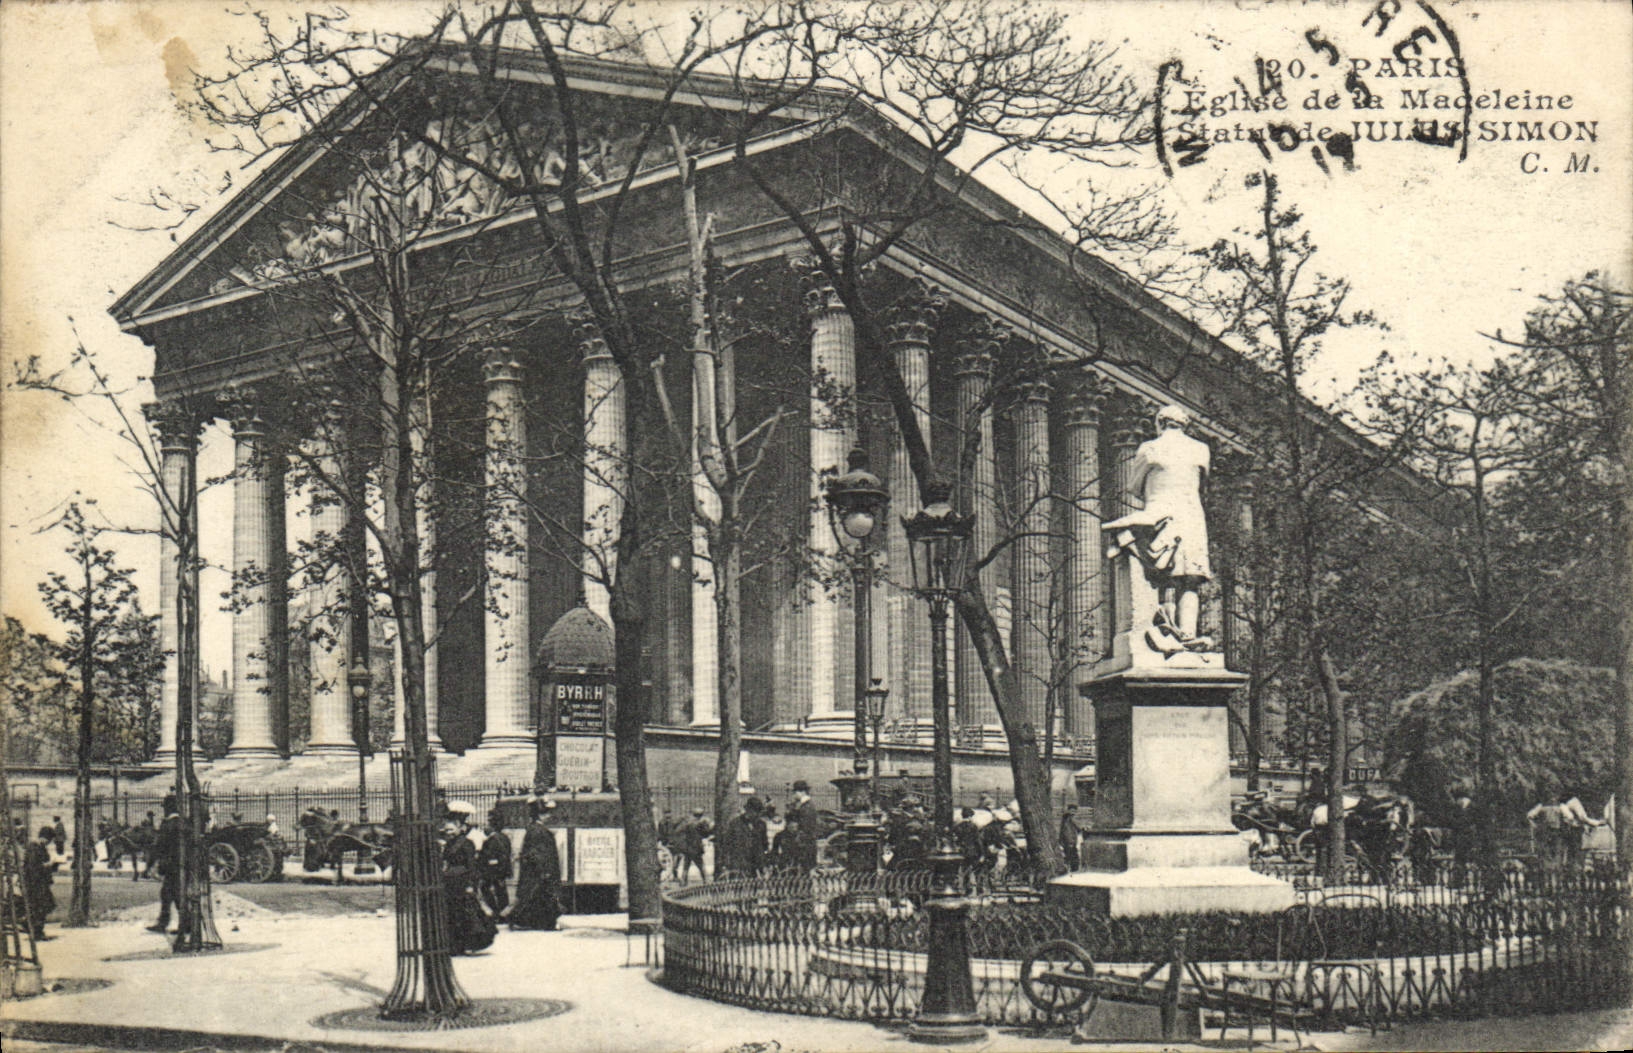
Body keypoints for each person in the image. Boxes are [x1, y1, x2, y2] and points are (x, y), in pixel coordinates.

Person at [1102, 404, 1213, 651]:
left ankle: (1166, 630)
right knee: (1190, 579)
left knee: (1162, 575)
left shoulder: (1150, 448)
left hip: (1160, 514)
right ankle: (1186, 634)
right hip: (1192, 516)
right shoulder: (1201, 450)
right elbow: (1203, 484)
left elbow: (1133, 485)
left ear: (1159, 423)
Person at [439, 817, 496, 954]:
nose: (449, 832)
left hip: (463, 882)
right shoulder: (448, 844)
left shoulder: (467, 843)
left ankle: (468, 943)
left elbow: (471, 866)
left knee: (466, 914)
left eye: (451, 829)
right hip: (450, 883)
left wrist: (471, 884)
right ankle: (455, 945)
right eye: (446, 830)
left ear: (460, 829)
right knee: (453, 914)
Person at [509, 799, 562, 931]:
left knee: (534, 898)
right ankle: (547, 923)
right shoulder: (537, 830)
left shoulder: (535, 829)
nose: (549, 816)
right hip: (540, 872)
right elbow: (536, 853)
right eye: (546, 813)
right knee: (542, 897)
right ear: (539, 815)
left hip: (538, 872)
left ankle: (528, 921)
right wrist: (544, 871)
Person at [147, 795, 183, 933]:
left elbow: (159, 846)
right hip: (182, 865)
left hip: (170, 866)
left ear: (168, 808)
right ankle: (183, 924)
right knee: (174, 894)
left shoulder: (167, 824)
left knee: (170, 894)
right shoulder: (183, 822)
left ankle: (167, 924)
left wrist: (151, 864)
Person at [718, 797, 769, 879]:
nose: (756, 815)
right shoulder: (735, 823)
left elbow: (764, 845)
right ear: (748, 810)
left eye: (758, 812)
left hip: (754, 864)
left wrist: (763, 865)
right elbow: (727, 844)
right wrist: (725, 863)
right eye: (755, 811)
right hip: (738, 863)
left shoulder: (761, 825)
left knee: (752, 887)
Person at [24, 826, 59, 940]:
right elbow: (33, 867)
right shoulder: (34, 848)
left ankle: (37, 930)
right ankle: (35, 931)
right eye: (49, 840)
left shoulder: (40, 847)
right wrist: (48, 864)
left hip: (41, 883)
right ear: (45, 838)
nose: (50, 843)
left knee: (46, 906)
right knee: (40, 906)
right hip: (35, 884)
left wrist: (52, 865)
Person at [476, 810, 513, 918]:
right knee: (500, 891)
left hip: (494, 870)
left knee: (487, 888)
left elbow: (490, 855)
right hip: (501, 869)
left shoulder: (493, 839)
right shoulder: (504, 837)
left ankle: (497, 912)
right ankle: (503, 913)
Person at [782, 781, 819, 872]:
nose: (794, 795)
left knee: (804, 872)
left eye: (795, 792)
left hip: (805, 845)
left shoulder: (807, 807)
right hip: (805, 844)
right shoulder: (804, 806)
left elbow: (805, 828)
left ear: (802, 792)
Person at [673, 808, 710, 885]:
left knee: (686, 866)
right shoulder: (700, 823)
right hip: (696, 848)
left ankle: (683, 881)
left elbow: (680, 831)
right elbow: (706, 833)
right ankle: (706, 881)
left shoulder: (688, 823)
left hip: (688, 848)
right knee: (701, 865)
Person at [1058, 804, 1082, 871]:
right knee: (1070, 856)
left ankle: (1072, 869)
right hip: (1068, 841)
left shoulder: (1072, 819)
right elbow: (1064, 831)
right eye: (1072, 811)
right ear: (1068, 811)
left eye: (1074, 811)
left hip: (1072, 841)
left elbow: (1078, 829)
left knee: (1072, 856)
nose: (1073, 812)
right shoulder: (1066, 820)